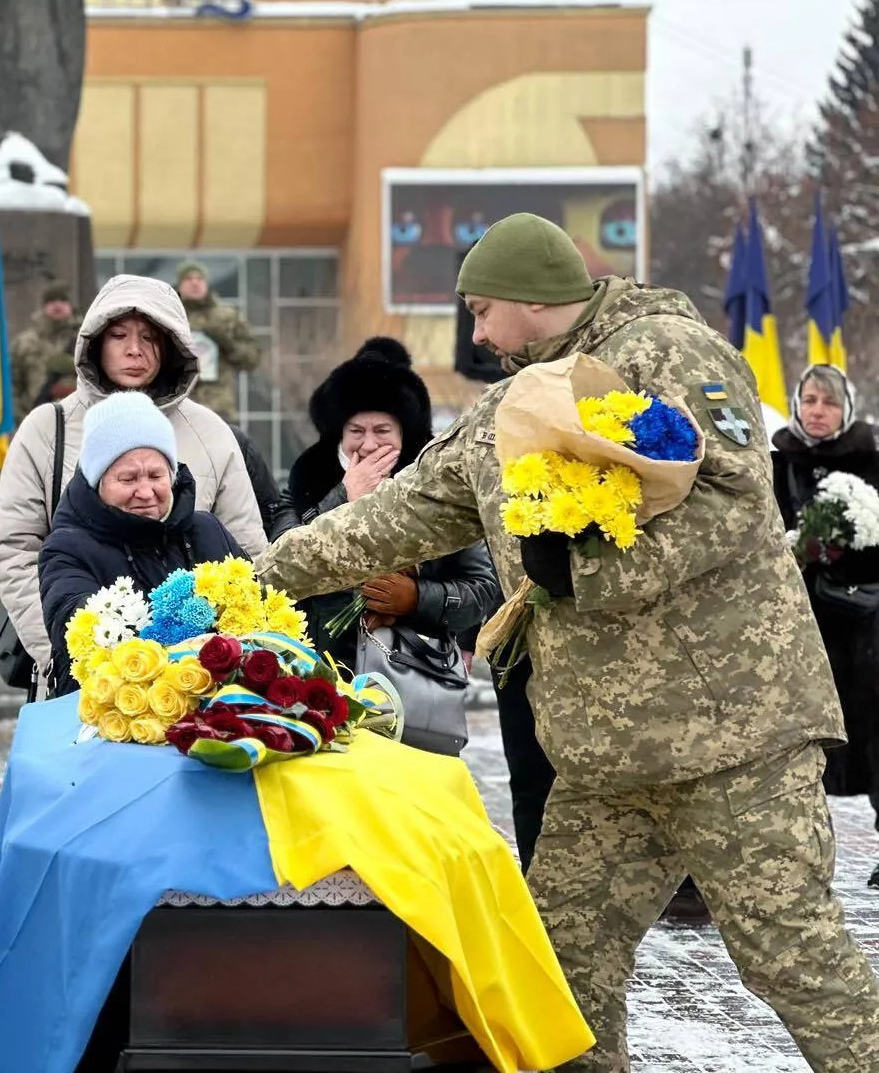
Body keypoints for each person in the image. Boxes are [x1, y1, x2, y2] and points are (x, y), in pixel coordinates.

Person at [255, 213, 879, 1072]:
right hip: (607, 759)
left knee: (796, 961)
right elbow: (395, 516)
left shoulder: (667, 352)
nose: (472, 332)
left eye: (479, 310)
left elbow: (736, 506)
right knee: (557, 966)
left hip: (729, 741)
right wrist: (264, 577)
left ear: (529, 300)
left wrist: (577, 571)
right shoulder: (508, 405)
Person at [0, 274, 267, 695]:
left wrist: (231, 662)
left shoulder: (211, 433)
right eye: (118, 335)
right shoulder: (50, 429)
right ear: (96, 342)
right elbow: (15, 548)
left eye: (151, 338)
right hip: (88, 684)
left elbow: (247, 555)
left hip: (207, 685)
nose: (134, 349)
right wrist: (70, 656)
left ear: (172, 347)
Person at [274, 336, 497, 667]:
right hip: (317, 666)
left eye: (382, 431)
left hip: (411, 667)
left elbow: (480, 591)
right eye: (356, 431)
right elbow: (280, 564)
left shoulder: (438, 492)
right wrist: (343, 497)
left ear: (404, 434)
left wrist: (416, 599)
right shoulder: (305, 483)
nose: (367, 445)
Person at [38, 392, 246, 694]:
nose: (146, 491)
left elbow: (256, 607)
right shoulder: (67, 547)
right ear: (99, 483)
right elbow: (73, 622)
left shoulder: (206, 530)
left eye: (156, 475)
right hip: (115, 716)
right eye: (128, 479)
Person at [773, 363, 879, 888]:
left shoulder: (871, 462)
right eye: (810, 400)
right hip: (797, 628)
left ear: (847, 410)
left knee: (874, 736)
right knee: (799, 744)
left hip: (864, 631)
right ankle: (804, 855)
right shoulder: (776, 463)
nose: (817, 411)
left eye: (829, 402)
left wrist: (848, 549)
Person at [175, 261, 261, 422]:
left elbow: (251, 360)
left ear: (206, 283)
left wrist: (227, 343)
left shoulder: (227, 317)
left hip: (218, 405)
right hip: (179, 403)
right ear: (180, 285)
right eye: (188, 278)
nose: (194, 282)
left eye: (199, 278)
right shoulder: (171, 316)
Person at [10, 281, 82, 417]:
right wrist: (20, 419)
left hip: (78, 418)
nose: (57, 305)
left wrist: (71, 367)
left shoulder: (85, 338)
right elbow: (14, 385)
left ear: (70, 306)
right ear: (43, 307)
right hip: (35, 417)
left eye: (62, 300)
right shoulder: (25, 343)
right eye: (52, 301)